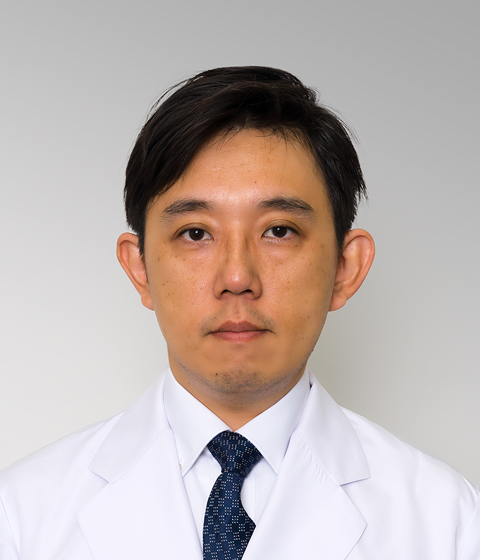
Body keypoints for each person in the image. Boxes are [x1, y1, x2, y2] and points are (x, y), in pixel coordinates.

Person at [0, 66, 478, 560]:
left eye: (278, 231)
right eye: (195, 233)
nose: (236, 277)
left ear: (345, 267)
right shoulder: (21, 516)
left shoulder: (447, 522)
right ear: (139, 268)